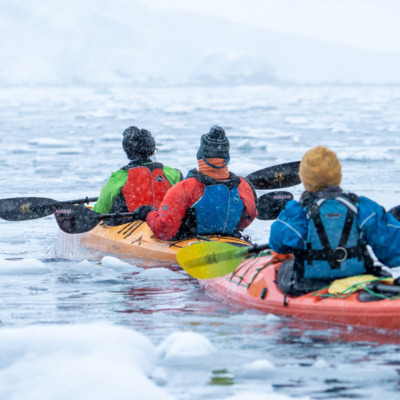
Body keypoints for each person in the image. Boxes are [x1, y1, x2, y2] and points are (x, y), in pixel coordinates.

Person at [269, 145, 400, 296]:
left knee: (285, 267)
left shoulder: (297, 213)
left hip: (309, 286)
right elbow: (394, 254)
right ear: (338, 175)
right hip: (358, 281)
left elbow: (277, 244)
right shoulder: (363, 207)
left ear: (305, 179)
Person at [131, 126, 258, 240]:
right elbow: (250, 215)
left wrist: (148, 213)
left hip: (190, 249)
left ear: (200, 155)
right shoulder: (243, 185)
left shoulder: (184, 188)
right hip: (231, 244)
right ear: (227, 157)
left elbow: (164, 230)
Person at [94, 126, 183, 216]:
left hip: (129, 224)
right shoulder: (173, 173)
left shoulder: (119, 177)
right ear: (152, 151)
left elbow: (100, 210)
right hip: (164, 223)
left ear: (128, 152)